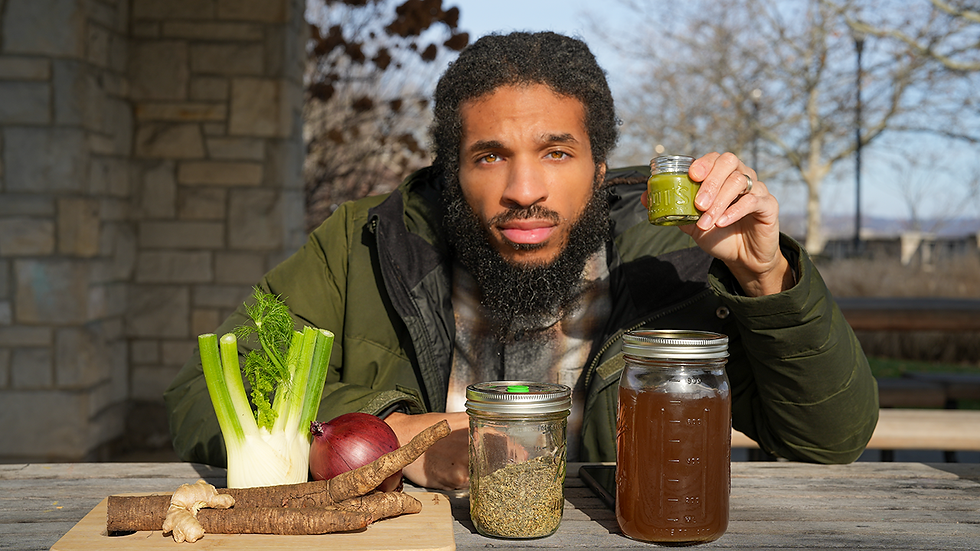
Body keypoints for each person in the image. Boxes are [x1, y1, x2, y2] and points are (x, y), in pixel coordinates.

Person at [164, 31, 878, 490]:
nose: (524, 190)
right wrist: (398, 435)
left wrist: (765, 277)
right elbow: (203, 391)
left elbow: (829, 438)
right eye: (489, 156)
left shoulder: (670, 261)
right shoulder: (368, 241)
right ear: (451, 175)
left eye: (557, 153)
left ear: (601, 170)